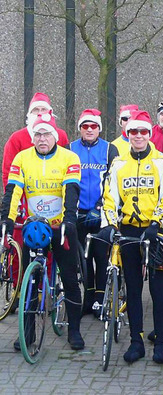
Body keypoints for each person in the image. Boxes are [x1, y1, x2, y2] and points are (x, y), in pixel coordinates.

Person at [100, 110, 163, 364]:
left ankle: (161, 342)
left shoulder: (162, 161)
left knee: (158, 291)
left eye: (143, 132)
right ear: (128, 134)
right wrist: (111, 224)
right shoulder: (118, 163)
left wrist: (157, 221)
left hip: (156, 230)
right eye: (133, 132)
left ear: (149, 134)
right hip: (129, 231)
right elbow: (109, 197)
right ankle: (136, 341)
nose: (138, 136)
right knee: (133, 288)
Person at [0, 113, 84, 350]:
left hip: (61, 227)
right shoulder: (22, 158)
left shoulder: (69, 157)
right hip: (34, 227)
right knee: (29, 281)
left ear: (55, 136)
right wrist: (6, 219)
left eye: (46, 134)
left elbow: (71, 191)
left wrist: (69, 220)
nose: (42, 138)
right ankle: (27, 334)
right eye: (37, 134)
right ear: (32, 137)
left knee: (69, 278)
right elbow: (13, 190)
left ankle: (74, 331)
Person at [67, 109, 118, 316]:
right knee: (83, 258)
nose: (89, 130)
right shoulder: (70, 149)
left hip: (100, 213)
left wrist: (99, 206)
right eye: (85, 126)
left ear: (99, 129)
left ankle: (99, 300)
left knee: (100, 256)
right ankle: (87, 300)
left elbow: (112, 180)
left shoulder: (109, 149)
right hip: (78, 212)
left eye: (93, 126)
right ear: (79, 128)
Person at [2, 92, 69, 190]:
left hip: (55, 193)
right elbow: (8, 171)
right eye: (36, 110)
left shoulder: (61, 135)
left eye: (43, 109)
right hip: (25, 196)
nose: (40, 113)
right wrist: (15, 201)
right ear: (30, 114)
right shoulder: (16, 138)